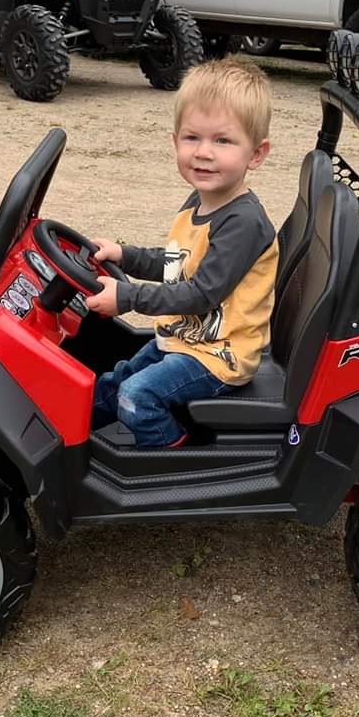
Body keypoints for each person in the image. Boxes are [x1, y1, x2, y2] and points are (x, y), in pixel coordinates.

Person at [85, 57, 277, 448]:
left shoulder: (243, 222)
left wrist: (127, 297)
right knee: (112, 382)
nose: (203, 152)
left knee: (135, 396)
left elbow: (201, 293)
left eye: (222, 141)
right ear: (175, 141)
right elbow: (177, 265)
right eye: (192, 138)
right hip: (185, 339)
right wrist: (124, 255)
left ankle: (170, 459)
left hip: (220, 355)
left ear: (256, 154)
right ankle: (70, 446)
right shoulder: (200, 200)